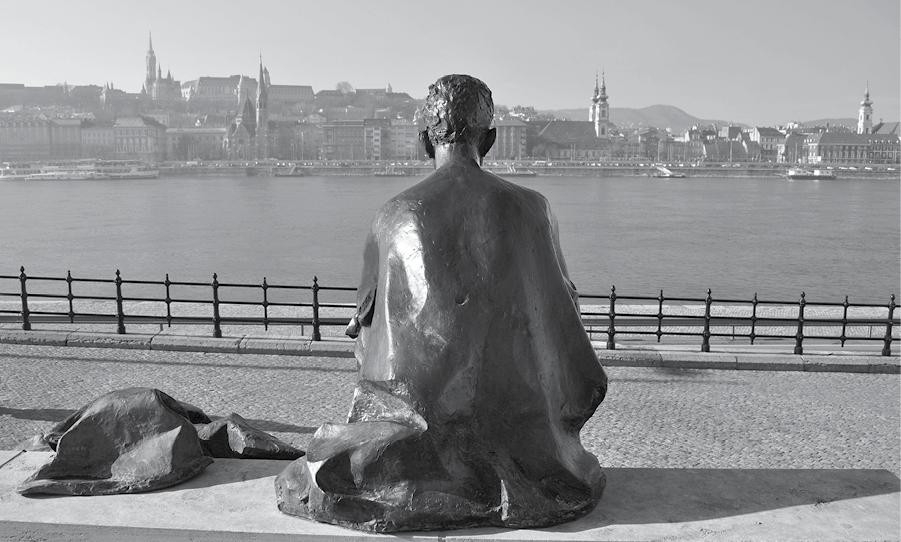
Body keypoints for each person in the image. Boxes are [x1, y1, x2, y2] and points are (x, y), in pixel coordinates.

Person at [276, 74, 607, 533]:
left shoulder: (392, 215)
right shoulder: (535, 209)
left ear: (423, 141)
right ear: (489, 140)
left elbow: (363, 326)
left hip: (416, 418)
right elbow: (563, 312)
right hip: (523, 429)